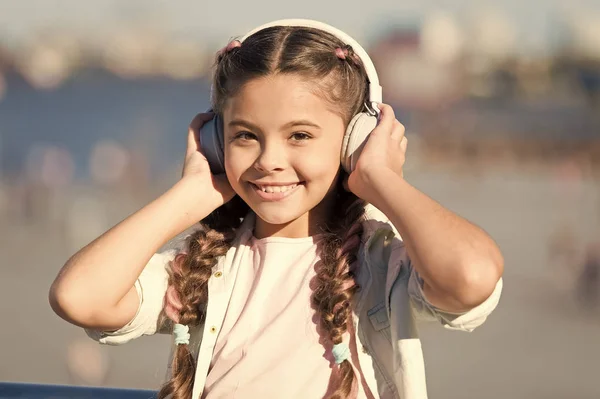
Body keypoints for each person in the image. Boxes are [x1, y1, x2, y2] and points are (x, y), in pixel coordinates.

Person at [49, 20, 504, 399]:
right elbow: (80, 296)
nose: (269, 160)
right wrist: (189, 195)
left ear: (355, 141)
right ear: (214, 140)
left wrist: (381, 179)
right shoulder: (206, 270)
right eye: (245, 135)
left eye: (300, 136)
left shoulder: (379, 264)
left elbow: (471, 276)